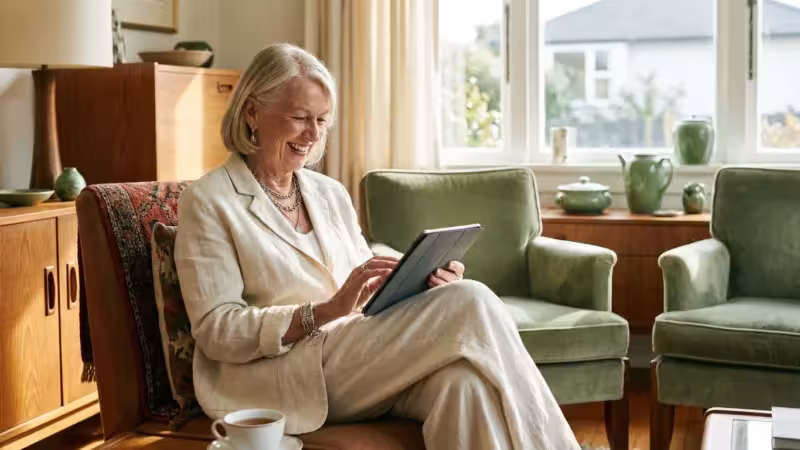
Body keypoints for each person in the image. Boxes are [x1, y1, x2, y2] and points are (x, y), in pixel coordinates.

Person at [174, 43, 580, 449]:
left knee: (463, 384)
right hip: (285, 375)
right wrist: (324, 312)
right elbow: (216, 329)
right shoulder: (209, 201)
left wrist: (420, 282)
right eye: (299, 118)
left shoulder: (329, 193)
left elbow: (365, 281)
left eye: (322, 120)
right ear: (252, 112)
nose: (313, 135)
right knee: (471, 300)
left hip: (357, 356)